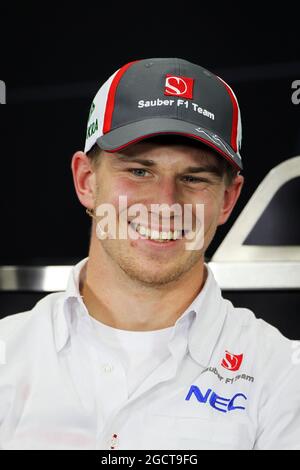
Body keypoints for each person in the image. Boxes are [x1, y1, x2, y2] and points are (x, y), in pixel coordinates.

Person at [0, 58, 299, 450]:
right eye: (140, 171)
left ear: (227, 199)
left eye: (193, 178)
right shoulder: (6, 354)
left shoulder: (284, 376)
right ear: (86, 181)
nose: (165, 202)